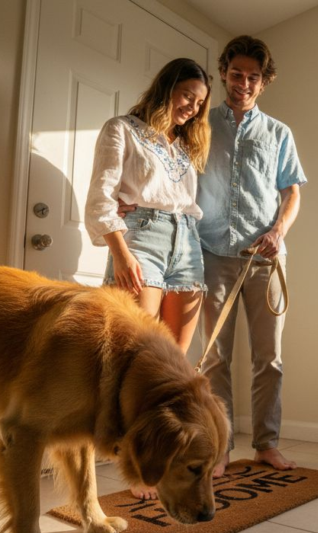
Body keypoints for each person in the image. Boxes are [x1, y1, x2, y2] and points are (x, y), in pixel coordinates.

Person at [84, 57, 212, 499]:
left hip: (188, 244)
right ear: (166, 88)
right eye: (186, 96)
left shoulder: (183, 149)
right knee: (136, 361)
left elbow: (187, 205)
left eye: (199, 103)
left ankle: (165, 456)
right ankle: (132, 461)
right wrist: (120, 250)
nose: (192, 108)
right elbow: (101, 196)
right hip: (142, 237)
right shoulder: (121, 129)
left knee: (175, 364)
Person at [198, 36, 306, 478]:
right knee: (214, 358)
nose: (244, 83)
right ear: (224, 72)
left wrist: (278, 231)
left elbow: (292, 192)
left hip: (264, 260)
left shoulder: (279, 133)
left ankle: (266, 445)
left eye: (253, 77)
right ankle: (220, 448)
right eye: (237, 74)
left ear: (264, 82)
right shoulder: (200, 123)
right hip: (210, 253)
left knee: (270, 357)